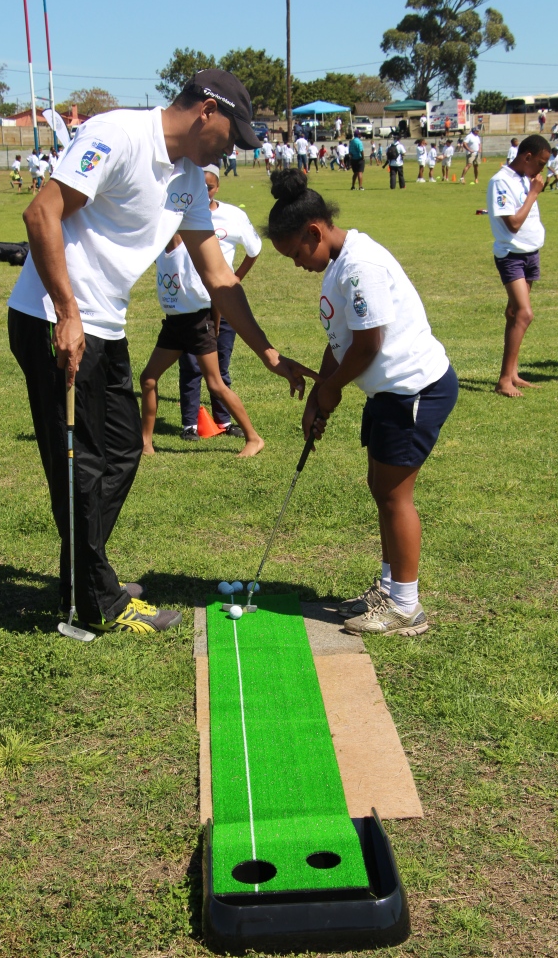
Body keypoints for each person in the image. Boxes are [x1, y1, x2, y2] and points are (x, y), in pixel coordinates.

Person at [7, 69, 314, 635]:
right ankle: (97, 601)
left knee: (123, 449)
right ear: (207, 112)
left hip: (105, 323)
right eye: (232, 133)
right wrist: (68, 313)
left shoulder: (190, 178)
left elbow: (219, 275)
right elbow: (40, 213)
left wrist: (268, 353)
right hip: (54, 317)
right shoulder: (118, 135)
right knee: (82, 465)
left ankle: (85, 575)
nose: (233, 148)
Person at [265, 169, 458, 636]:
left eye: (294, 253)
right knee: (381, 487)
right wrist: (320, 390)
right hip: (387, 393)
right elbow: (341, 341)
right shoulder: (338, 265)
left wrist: (331, 391)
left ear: (315, 231)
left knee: (395, 496)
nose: (295, 264)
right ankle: (391, 588)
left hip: (412, 389)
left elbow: (369, 344)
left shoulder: (358, 267)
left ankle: (406, 607)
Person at [141, 231, 263, 458]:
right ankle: (146, 444)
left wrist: (214, 326)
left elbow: (214, 290)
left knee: (215, 384)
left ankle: (254, 438)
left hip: (198, 323)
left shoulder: (191, 252)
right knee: (148, 379)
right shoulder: (159, 248)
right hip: (173, 325)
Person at [177, 164, 263, 443]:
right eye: (198, 185)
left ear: (218, 187)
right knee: (191, 364)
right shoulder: (181, 213)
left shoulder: (233, 215)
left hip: (222, 303)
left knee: (221, 361)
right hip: (192, 302)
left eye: (209, 186)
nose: (203, 190)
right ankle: (190, 424)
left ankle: (223, 420)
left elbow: (254, 249)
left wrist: (234, 280)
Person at [486, 134, 551, 398]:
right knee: (524, 314)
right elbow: (512, 222)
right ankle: (503, 380)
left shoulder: (524, 178)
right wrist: (534, 194)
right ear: (527, 157)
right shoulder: (500, 181)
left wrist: (532, 190)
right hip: (512, 255)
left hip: (530, 253)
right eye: (541, 163)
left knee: (514, 313)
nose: (542, 170)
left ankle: (512, 373)